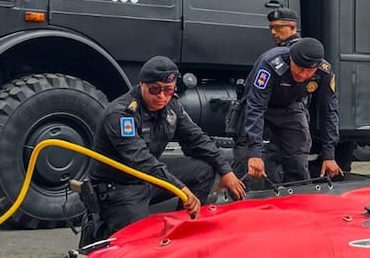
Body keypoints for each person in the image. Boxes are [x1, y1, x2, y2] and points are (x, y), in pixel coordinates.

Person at [79, 56, 246, 247]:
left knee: (203, 169)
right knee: (133, 248)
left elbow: (197, 138)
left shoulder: (171, 106)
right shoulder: (121, 115)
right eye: (155, 89)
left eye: (168, 90)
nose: (161, 96)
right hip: (120, 186)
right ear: (142, 84)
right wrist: (181, 189)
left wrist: (225, 170)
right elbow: (140, 160)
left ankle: (180, 230)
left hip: (149, 180)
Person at [243, 37, 343, 183]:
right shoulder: (272, 64)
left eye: (309, 71)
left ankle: (298, 196)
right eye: (299, 68)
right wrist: (254, 153)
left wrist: (329, 155)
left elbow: (329, 111)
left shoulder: (324, 72)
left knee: (297, 159)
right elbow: (256, 107)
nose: (303, 75)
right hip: (257, 106)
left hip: (290, 106)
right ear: (291, 59)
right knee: (245, 160)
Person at [230, 7, 301, 175]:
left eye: (278, 27)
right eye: (271, 28)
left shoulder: (293, 53)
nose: (273, 32)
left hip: (275, 110)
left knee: (246, 159)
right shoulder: (285, 51)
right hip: (275, 111)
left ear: (292, 27)